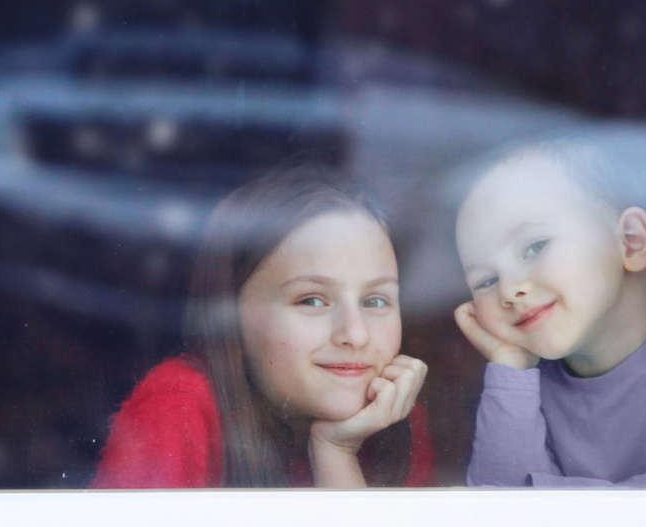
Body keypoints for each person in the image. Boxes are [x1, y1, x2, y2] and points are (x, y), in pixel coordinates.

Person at [92, 164, 432, 488]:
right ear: (232, 314)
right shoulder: (180, 409)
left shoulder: (392, 415)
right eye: (312, 300)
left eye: (375, 301)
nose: (355, 334)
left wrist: (336, 453)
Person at [450, 137, 646, 486]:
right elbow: (502, 514)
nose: (509, 290)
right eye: (487, 280)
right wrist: (510, 366)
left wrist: (536, 497)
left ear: (631, 241)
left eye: (535, 246)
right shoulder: (523, 388)